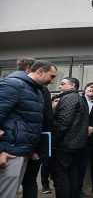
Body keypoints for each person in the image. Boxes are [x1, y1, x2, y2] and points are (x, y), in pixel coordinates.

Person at [0, 59, 57, 198]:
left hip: (24, 151)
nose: (53, 81)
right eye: (52, 76)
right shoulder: (13, 84)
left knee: (11, 193)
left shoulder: (37, 91)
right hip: (9, 151)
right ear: (40, 71)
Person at [20, 59, 56, 198]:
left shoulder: (42, 89)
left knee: (28, 181)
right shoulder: (40, 89)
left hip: (30, 146)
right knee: (28, 181)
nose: (52, 80)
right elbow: (47, 118)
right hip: (15, 149)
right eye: (51, 76)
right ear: (33, 70)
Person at [51, 77, 89, 198]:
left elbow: (63, 122)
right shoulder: (80, 99)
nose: (59, 86)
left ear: (72, 86)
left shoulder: (69, 98)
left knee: (61, 176)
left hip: (65, 145)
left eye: (62, 84)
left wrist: (54, 141)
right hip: (75, 145)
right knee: (72, 174)